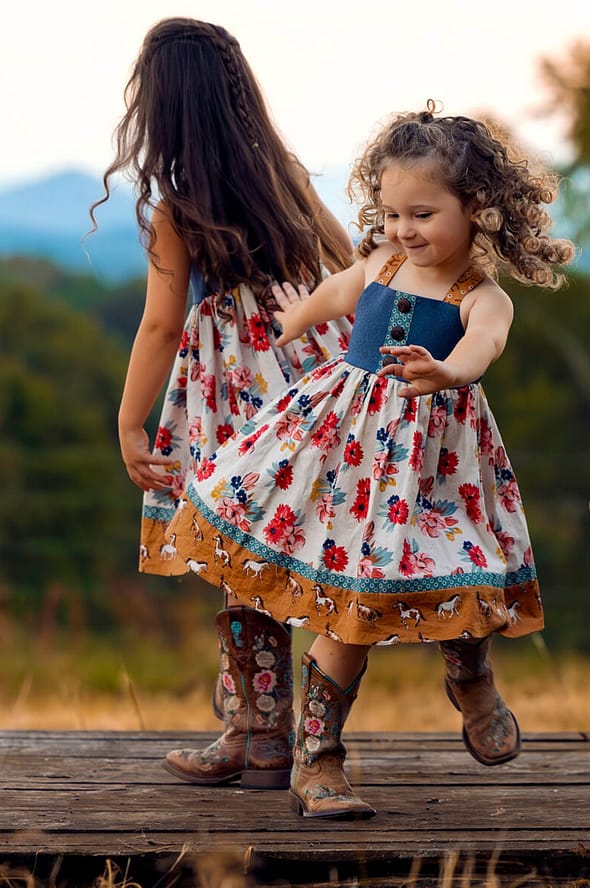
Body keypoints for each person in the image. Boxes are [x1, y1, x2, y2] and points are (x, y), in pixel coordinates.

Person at [165, 106, 575, 818]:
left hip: (439, 471)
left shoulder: (480, 296)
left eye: (422, 213)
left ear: (478, 210)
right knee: (350, 606)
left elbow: (486, 347)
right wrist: (296, 319)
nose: (403, 230)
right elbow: (337, 294)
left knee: (464, 574)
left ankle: (471, 678)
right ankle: (317, 763)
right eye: (391, 213)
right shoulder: (382, 262)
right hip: (352, 464)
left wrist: (448, 372)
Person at [94, 17, 357, 790]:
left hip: (232, 396)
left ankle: (259, 733)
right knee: (290, 553)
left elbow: (161, 323)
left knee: (238, 557)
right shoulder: (291, 176)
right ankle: (268, 737)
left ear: (161, 106)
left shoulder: (178, 209)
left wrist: (128, 420)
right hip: (312, 375)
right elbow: (349, 261)